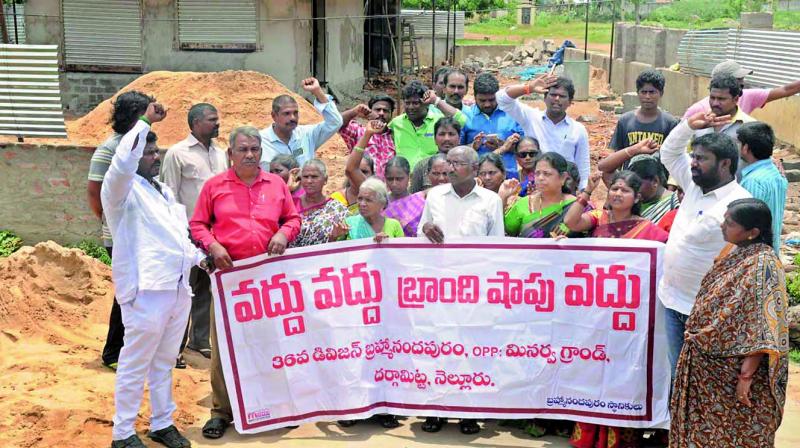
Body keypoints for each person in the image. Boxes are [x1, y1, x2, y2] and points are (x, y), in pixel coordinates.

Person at [190, 126, 302, 440]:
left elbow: (293, 219)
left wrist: (282, 234)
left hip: (268, 279)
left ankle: (277, 406)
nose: (250, 154)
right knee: (226, 345)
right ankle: (221, 412)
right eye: (243, 149)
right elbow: (198, 225)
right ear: (231, 154)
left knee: (272, 343)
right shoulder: (214, 186)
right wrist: (213, 245)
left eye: (255, 149)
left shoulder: (277, 185)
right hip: (230, 280)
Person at [105, 102, 202, 448]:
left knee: (164, 363)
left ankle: (162, 423)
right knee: (134, 362)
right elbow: (122, 161)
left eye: (155, 151)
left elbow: (178, 240)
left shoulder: (164, 192)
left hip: (176, 289)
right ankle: (123, 433)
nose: (154, 157)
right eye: (147, 152)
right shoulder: (120, 190)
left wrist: (202, 259)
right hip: (146, 292)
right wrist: (144, 121)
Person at [670, 198, 789, 447]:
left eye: (730, 223)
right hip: (705, 369)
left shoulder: (764, 265)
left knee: (736, 433)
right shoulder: (735, 251)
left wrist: (745, 378)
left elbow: (764, 326)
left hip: (732, 373)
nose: (722, 226)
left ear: (752, 232)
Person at [563, 171, 667, 448]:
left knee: (623, 373)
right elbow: (571, 221)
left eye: (624, 190)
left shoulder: (650, 230)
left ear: (637, 197)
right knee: (592, 370)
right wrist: (587, 192)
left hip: (628, 317)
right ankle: (588, 436)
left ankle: (620, 437)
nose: (617, 194)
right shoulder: (599, 218)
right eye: (615, 189)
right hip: (594, 312)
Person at [658, 112, 752, 380]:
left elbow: (749, 261)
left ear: (725, 164)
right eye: (694, 157)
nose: (694, 164)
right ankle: (678, 422)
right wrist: (687, 126)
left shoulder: (739, 205)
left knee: (704, 382)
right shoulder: (694, 185)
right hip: (672, 301)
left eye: (701, 159)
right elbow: (669, 153)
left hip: (708, 314)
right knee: (678, 376)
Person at [418, 146, 504, 435]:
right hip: (439, 286)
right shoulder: (435, 197)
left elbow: (498, 246)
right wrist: (427, 228)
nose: (450, 168)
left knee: (471, 349)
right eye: (448, 162)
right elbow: (419, 236)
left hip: (475, 288)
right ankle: (436, 409)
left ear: (474, 168)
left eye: (456, 163)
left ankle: (469, 411)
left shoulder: (491, 201)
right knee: (439, 348)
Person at [87, 90, 155, 371]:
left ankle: (134, 348)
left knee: (140, 291)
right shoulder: (110, 148)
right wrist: (110, 220)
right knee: (125, 293)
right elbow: (94, 192)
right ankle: (113, 352)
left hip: (140, 233)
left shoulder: (143, 146)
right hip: (119, 235)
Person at [160, 103, 227, 363]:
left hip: (215, 234)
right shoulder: (177, 153)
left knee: (207, 288)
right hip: (186, 232)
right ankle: (173, 348)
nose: (217, 124)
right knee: (181, 289)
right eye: (212, 119)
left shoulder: (220, 154)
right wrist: (176, 232)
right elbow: (169, 195)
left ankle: (199, 341)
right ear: (196, 122)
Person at [497, 75, 590, 189]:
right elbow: (502, 98)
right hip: (534, 186)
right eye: (553, 94)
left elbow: (583, 168)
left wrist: (583, 194)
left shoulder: (578, 129)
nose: (556, 99)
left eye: (562, 96)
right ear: (545, 98)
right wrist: (529, 88)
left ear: (570, 102)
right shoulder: (531, 118)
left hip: (565, 188)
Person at [598, 70, 678, 173]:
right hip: (629, 180)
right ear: (638, 93)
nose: (647, 97)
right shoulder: (625, 121)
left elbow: (674, 158)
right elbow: (613, 154)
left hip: (657, 181)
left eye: (652, 92)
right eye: (644, 92)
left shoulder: (669, 123)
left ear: (661, 93)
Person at [259, 77, 343, 166]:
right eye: (286, 113)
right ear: (274, 116)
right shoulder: (260, 141)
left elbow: (335, 122)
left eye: (295, 113)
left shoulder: (307, 135)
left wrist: (317, 91)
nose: (292, 118)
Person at [388, 80, 467, 169]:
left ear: (426, 103)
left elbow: (461, 120)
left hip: (435, 177)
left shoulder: (439, 122)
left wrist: (436, 101)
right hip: (405, 179)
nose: (411, 107)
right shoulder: (396, 123)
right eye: (407, 103)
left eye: (415, 103)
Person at [684, 59, 800, 118]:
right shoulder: (697, 110)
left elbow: (786, 90)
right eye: (738, 79)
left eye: (742, 79)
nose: (742, 83)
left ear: (735, 99)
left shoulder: (746, 96)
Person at [462, 72, 524, 180]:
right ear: (474, 96)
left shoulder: (513, 113)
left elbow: (526, 150)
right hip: (476, 178)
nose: (487, 104)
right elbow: (457, 150)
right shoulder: (465, 116)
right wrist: (473, 146)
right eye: (482, 100)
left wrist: (504, 145)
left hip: (509, 178)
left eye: (491, 100)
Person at [737, 122, 787, 254]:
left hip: (755, 253)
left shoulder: (753, 181)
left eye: (738, 143)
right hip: (770, 250)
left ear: (745, 148)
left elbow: (747, 224)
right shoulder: (776, 173)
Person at [502, 152, 578, 238]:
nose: (540, 178)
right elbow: (505, 233)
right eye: (537, 173)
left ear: (563, 177)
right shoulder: (523, 204)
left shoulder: (576, 205)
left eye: (546, 174)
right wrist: (503, 198)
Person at [290, 159, 349, 248]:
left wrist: (334, 237)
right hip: (290, 260)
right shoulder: (291, 204)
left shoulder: (337, 208)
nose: (309, 181)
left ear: (325, 180)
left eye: (314, 177)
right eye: (305, 177)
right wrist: (288, 189)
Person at [338, 94, 396, 178]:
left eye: (386, 111)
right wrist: (354, 111)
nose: (381, 113)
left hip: (385, 189)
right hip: (361, 186)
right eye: (378, 110)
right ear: (370, 111)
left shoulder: (393, 136)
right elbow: (336, 122)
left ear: (391, 115)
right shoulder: (359, 131)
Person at [330, 177, 404, 242]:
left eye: (368, 200)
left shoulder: (394, 225)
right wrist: (334, 237)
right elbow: (333, 253)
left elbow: (401, 253)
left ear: (382, 203)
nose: (362, 204)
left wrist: (385, 243)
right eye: (360, 198)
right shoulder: (349, 224)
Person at [331, 124, 377, 216]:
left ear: (372, 175)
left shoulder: (378, 199)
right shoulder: (336, 199)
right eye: (356, 171)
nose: (357, 174)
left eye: (364, 172)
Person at [409, 117, 461, 193]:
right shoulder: (422, 166)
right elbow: (414, 198)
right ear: (434, 139)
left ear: (459, 138)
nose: (447, 138)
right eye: (442, 134)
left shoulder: (467, 165)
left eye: (451, 134)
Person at [627, 156, 680, 225]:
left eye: (637, 185)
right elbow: (608, 170)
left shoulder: (676, 203)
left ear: (655, 181)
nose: (633, 189)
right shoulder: (634, 202)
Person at [383, 157, 427, 237]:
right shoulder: (381, 203)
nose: (394, 184)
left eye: (399, 179)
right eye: (390, 179)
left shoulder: (420, 202)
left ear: (409, 177)